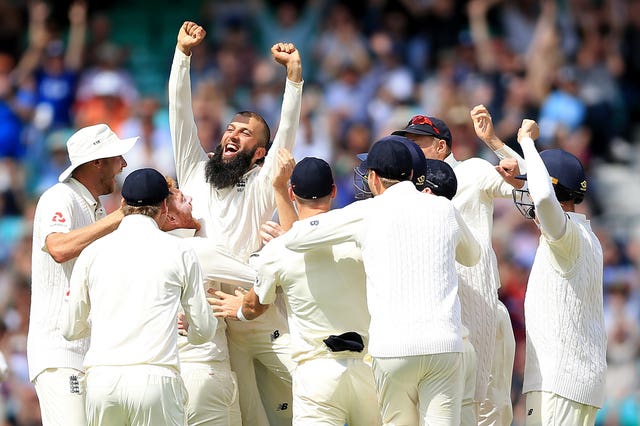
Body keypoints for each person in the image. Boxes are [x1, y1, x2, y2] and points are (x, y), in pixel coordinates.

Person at [283, 136, 480, 425]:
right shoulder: (443, 208)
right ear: (412, 175)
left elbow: (297, 238)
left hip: (392, 348)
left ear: (373, 177)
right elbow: (472, 256)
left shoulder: (366, 212)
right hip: (443, 342)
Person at [169, 20, 303, 425]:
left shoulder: (262, 182)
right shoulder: (195, 171)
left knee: (296, 400)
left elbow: (287, 136)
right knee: (245, 415)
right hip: (211, 318)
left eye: (244, 134)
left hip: (257, 309)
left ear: (258, 152)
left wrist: (294, 79)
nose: (232, 134)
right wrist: (182, 56)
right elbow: (179, 114)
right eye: (230, 128)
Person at [213, 157, 381, 425]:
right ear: (334, 191)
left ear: (293, 193)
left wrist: (241, 310)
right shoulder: (361, 238)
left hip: (316, 373)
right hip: (367, 368)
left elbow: (255, 306)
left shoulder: (279, 250)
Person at [392, 108, 523, 424]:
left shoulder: (472, 171)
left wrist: (493, 141)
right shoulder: (405, 188)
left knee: (486, 405)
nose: (412, 149)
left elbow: (528, 183)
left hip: (478, 302)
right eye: (408, 142)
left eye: (419, 142)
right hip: (434, 307)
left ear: (441, 146)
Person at [61, 168, 217, 426]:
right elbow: (204, 329)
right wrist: (192, 332)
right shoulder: (181, 250)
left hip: (103, 380)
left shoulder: (93, 252)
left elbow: (69, 329)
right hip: (155, 378)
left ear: (123, 204)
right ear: (164, 207)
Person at [28, 123, 137, 425]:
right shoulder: (58, 196)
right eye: (118, 157)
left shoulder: (96, 210)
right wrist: (121, 215)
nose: (123, 165)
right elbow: (59, 247)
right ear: (97, 161)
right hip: (60, 353)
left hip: (90, 356)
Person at [508, 120, 606, 425]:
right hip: (575, 382)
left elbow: (543, 197)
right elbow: (540, 183)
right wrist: (495, 142)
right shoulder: (584, 235)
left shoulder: (564, 237)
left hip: (558, 381)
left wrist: (527, 141)